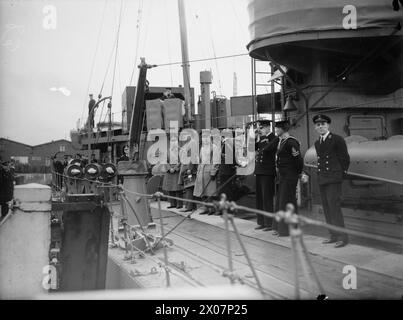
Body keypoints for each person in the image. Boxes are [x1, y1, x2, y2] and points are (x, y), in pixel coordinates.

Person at [313, 114, 350, 248]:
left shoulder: (337, 139)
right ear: (315, 128)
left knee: (334, 208)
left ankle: (343, 237)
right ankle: (333, 235)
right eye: (318, 125)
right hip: (323, 178)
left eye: (323, 124)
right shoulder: (318, 143)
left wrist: (341, 174)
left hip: (333, 178)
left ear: (328, 125)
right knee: (327, 209)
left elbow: (345, 158)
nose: (320, 126)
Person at [272, 119, 303, 237]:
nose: (275, 130)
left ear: (282, 129)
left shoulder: (291, 142)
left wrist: (297, 173)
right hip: (283, 176)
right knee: (283, 200)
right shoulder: (282, 141)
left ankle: (285, 230)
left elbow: (298, 160)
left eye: (277, 128)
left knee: (285, 201)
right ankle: (284, 227)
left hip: (290, 176)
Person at [253, 120, 279, 231]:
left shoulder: (274, 138)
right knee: (259, 197)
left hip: (268, 171)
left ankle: (269, 223)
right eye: (260, 128)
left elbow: (267, 149)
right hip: (259, 170)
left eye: (262, 127)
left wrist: (262, 137)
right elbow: (253, 148)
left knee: (267, 197)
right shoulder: (262, 138)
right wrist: (254, 138)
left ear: (268, 127)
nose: (260, 130)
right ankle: (261, 221)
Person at [193, 138, 219, 215]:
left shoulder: (214, 147)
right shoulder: (202, 148)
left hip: (209, 171)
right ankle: (206, 208)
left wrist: (213, 172)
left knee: (210, 192)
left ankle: (212, 209)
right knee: (203, 192)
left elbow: (216, 160)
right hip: (201, 172)